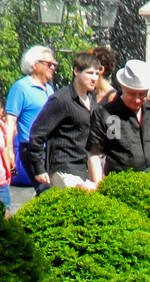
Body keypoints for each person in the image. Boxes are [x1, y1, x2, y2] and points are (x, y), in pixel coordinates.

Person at [87, 59, 150, 183]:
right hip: (119, 187)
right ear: (122, 87)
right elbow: (94, 154)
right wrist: (98, 185)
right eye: (132, 94)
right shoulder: (105, 114)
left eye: (142, 94)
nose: (137, 100)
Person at [27, 50, 100, 191]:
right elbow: (37, 133)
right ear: (76, 72)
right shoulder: (61, 99)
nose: (94, 78)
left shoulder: (92, 98)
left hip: (84, 168)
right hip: (63, 167)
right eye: (90, 73)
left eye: (97, 74)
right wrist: (39, 168)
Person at [4, 45, 56, 187]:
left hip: (49, 148)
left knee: (51, 189)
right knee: (44, 188)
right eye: (49, 64)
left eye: (54, 65)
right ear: (34, 65)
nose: (52, 68)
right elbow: (10, 122)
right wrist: (9, 150)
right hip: (31, 147)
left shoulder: (50, 89)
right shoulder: (21, 87)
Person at [0, 97, 11, 214]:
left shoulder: (1, 126)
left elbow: (5, 150)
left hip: (2, 183)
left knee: (6, 221)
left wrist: (9, 173)